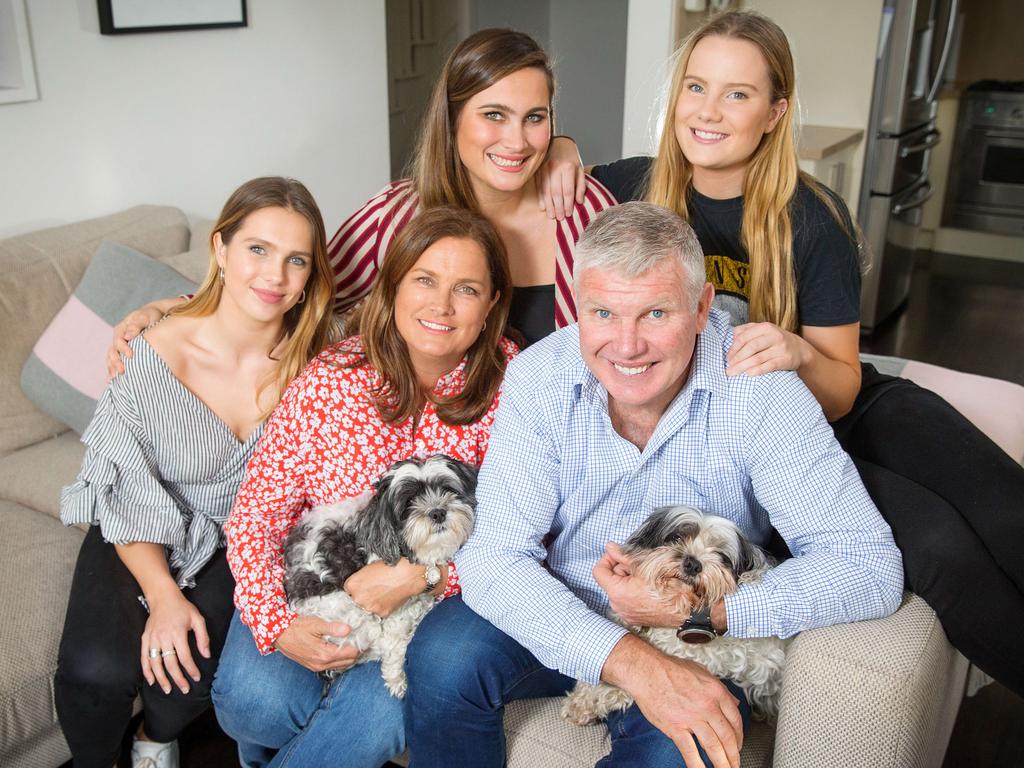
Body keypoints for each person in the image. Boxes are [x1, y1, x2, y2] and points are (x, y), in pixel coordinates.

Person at [541, 10, 1024, 698]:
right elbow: (543, 167)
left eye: (737, 94)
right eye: (696, 88)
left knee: (1004, 505)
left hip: (843, 404)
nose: (709, 112)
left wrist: (796, 350)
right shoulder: (632, 188)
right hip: (779, 449)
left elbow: (844, 386)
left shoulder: (810, 216)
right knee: (945, 551)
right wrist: (561, 145)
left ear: (775, 112)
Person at [404, 202, 903, 768]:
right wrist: (630, 660)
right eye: (603, 313)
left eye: (656, 314)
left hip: (698, 632)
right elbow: (496, 558)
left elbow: (868, 565)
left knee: (685, 748)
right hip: (562, 603)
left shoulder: (764, 393)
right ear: (577, 305)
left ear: (701, 307)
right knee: (443, 657)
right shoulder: (539, 377)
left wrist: (702, 615)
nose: (626, 346)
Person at [211, 205, 516, 768]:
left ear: (493, 301)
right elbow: (256, 514)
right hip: (316, 578)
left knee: (374, 719)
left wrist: (420, 576)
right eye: (424, 279)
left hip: (433, 608)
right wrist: (278, 625)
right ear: (394, 284)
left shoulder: (517, 389)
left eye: (467, 288)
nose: (441, 305)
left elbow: (530, 534)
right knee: (256, 705)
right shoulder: (333, 379)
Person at [106, 28, 614, 365]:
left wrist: (566, 150)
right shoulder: (397, 215)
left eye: (535, 118)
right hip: (429, 474)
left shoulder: (587, 211)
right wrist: (176, 309)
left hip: (556, 470)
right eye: (494, 115)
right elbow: (299, 287)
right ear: (453, 118)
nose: (517, 141)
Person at [54, 176, 337, 768]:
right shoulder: (151, 351)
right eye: (257, 249)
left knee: (187, 674)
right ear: (221, 250)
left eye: (296, 260)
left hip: (239, 538)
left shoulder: (319, 364)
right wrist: (162, 596)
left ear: (312, 273)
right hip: (139, 517)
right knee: (95, 673)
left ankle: (154, 743)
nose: (274, 275)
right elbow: (124, 486)